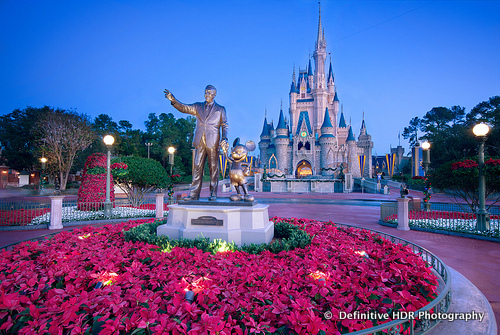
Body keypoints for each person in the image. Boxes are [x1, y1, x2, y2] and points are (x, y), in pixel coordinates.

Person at [164, 85, 229, 201]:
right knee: (197, 166)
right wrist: (174, 100)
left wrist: (225, 138)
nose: (207, 94)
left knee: (213, 168)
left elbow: (225, 125)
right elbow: (184, 108)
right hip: (199, 141)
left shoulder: (220, 109)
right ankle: (194, 194)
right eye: (205, 92)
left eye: (209, 92)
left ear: (214, 94)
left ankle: (213, 193)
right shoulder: (197, 106)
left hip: (213, 142)